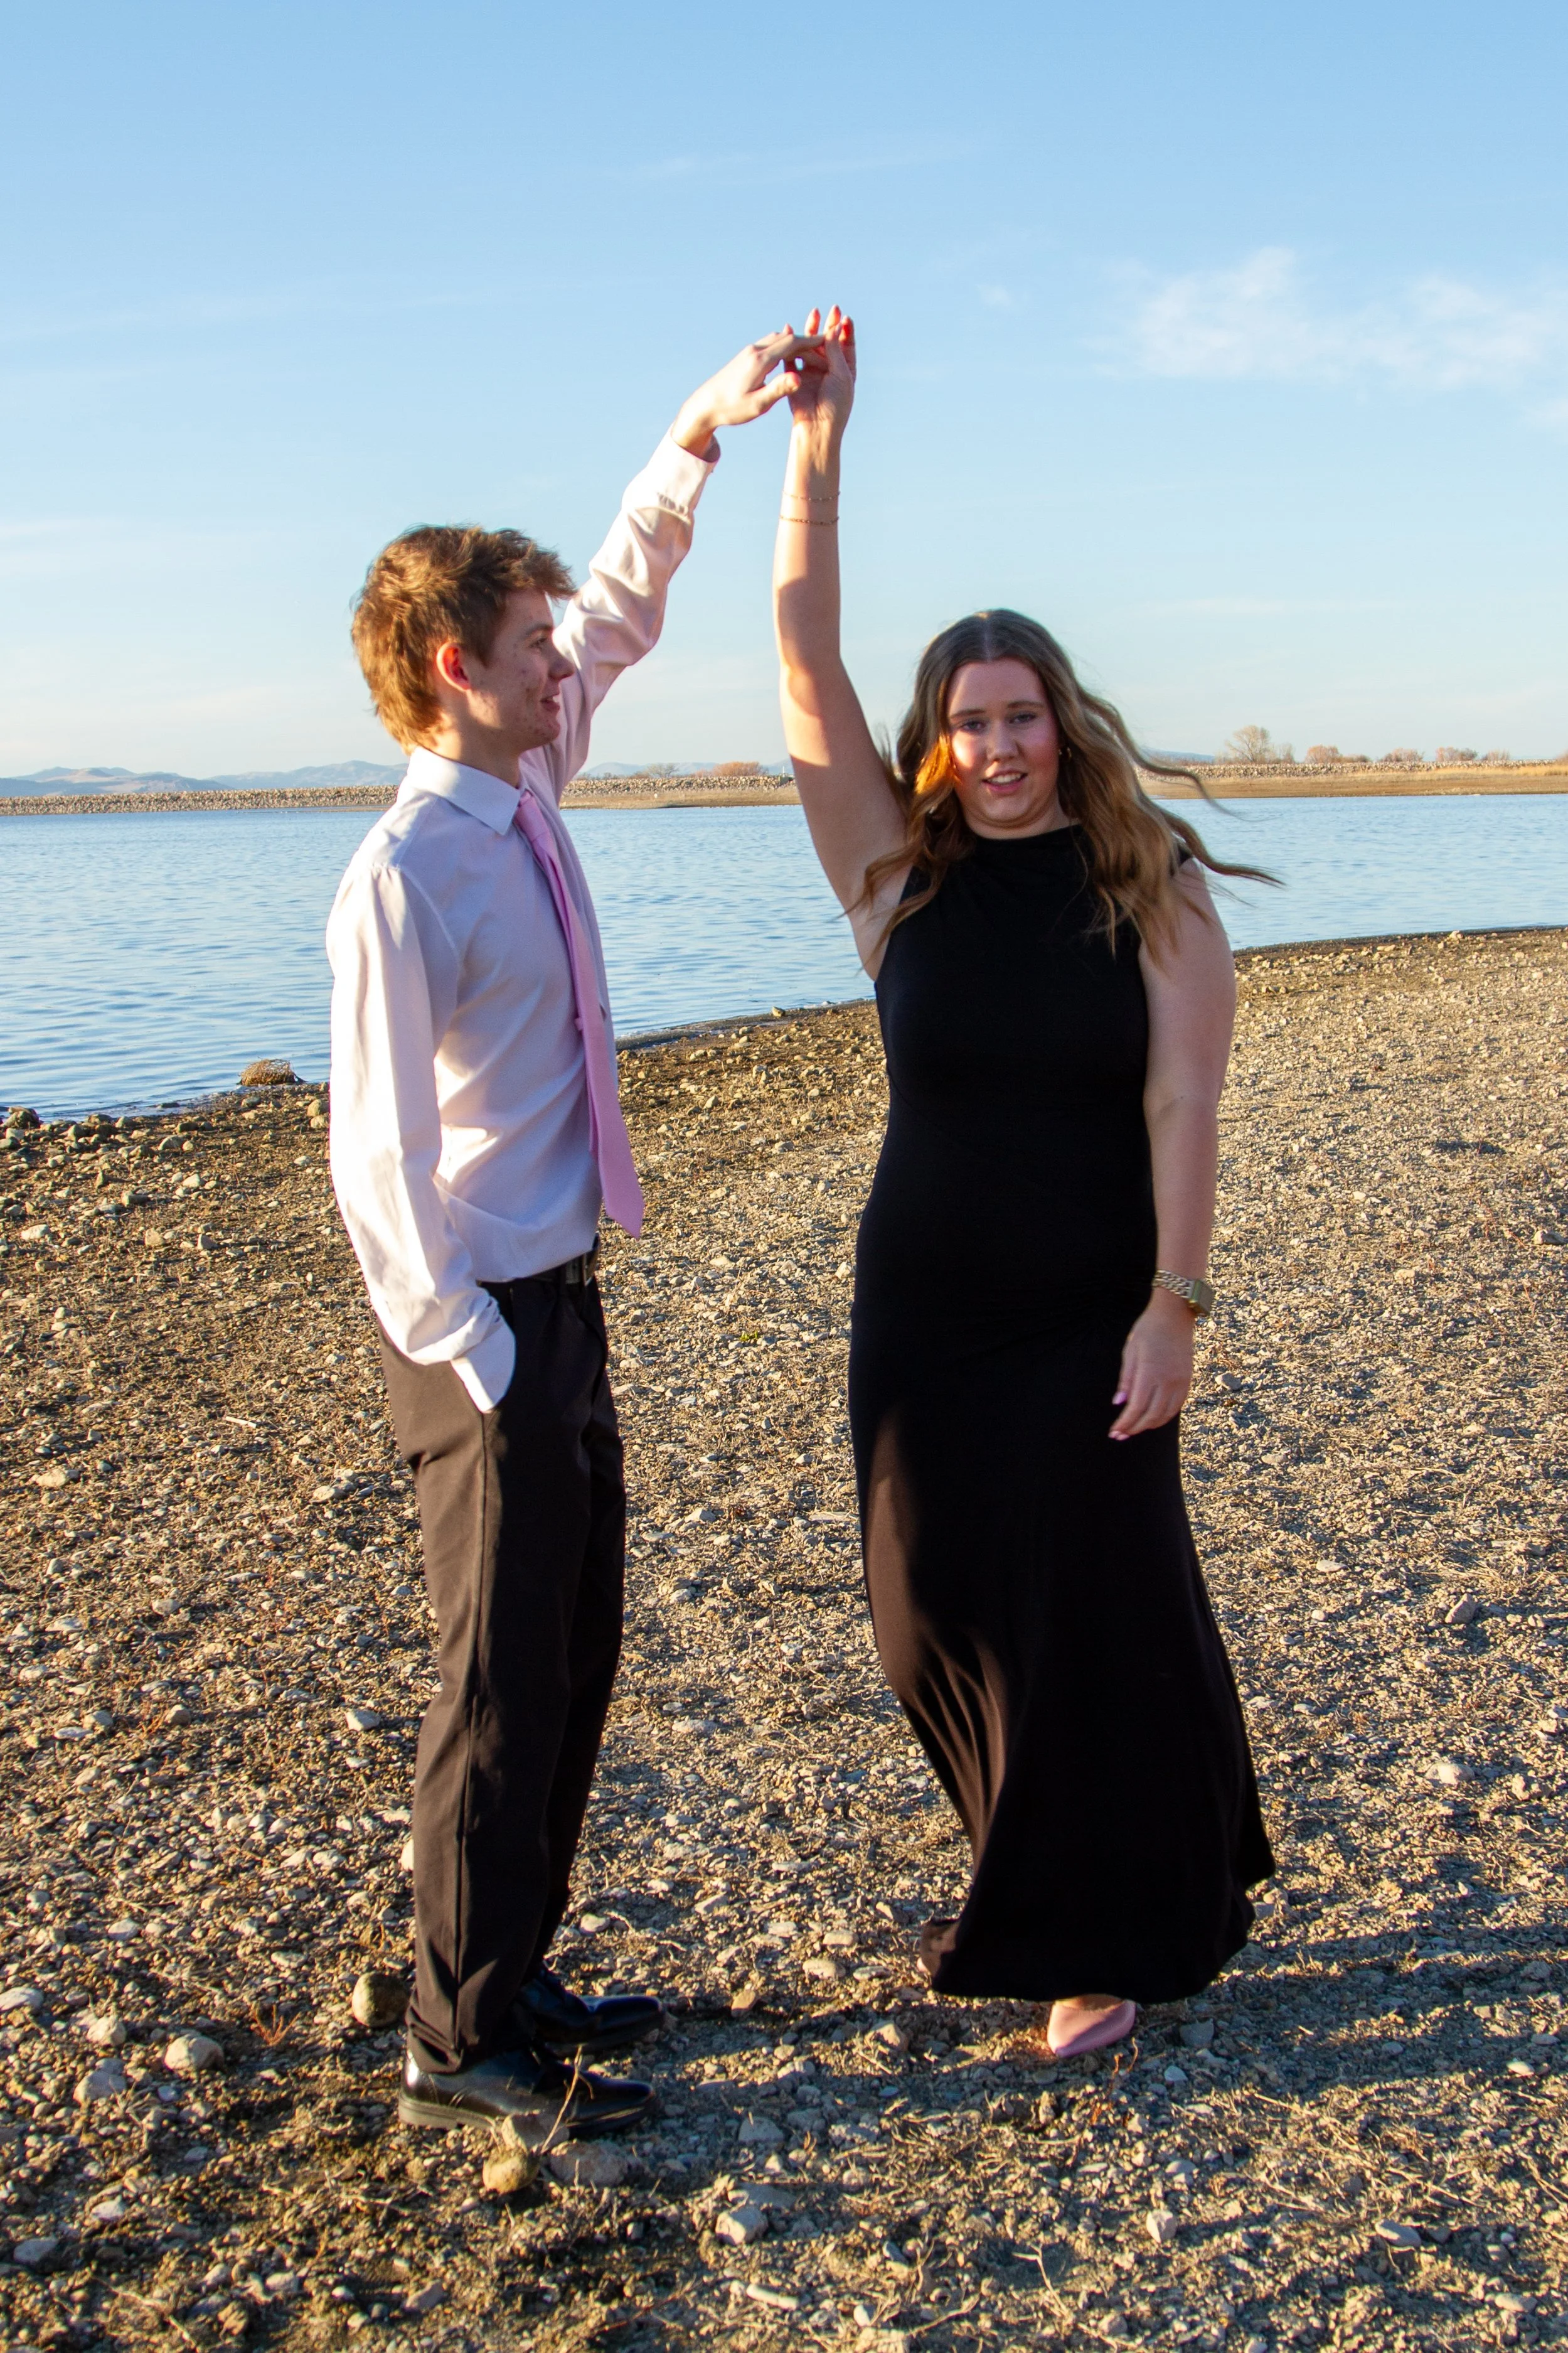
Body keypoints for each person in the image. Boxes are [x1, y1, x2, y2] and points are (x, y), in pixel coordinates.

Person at [327, 330, 817, 2136]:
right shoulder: (402, 876)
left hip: (561, 1285)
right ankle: (460, 2044)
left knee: (580, 1634)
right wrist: (479, 1350)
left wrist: (698, 431)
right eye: (534, 652)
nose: (570, 666)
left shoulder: (526, 787)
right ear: (460, 671)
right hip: (481, 1321)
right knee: (495, 1663)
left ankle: (515, 1960)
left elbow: (617, 601)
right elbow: (374, 1162)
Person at [772, 308, 1274, 2059]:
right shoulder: (892, 885)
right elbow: (801, 653)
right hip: (923, 1308)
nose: (1001, 744)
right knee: (927, 1619)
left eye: (1025, 713)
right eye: (971, 720)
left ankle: (1092, 1928)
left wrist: (1176, 1307)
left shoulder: (1153, 885)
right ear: (935, 738)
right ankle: (1081, 1853)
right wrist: (817, 448)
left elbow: (1184, 1105)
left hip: (1091, 1307)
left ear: (1064, 720)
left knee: (1102, 1608)